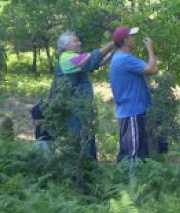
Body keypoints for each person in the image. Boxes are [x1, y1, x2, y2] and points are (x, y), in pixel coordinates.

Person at [48, 31, 115, 158]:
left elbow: (93, 64)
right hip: (74, 110)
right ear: (66, 46)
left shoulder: (70, 58)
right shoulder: (66, 58)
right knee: (81, 142)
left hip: (80, 108)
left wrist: (111, 53)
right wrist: (113, 43)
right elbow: (91, 58)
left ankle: (88, 170)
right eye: (76, 41)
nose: (80, 43)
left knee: (86, 140)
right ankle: (83, 172)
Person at [110, 26, 158, 164]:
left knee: (129, 152)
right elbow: (153, 68)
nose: (135, 39)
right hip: (132, 111)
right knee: (134, 155)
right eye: (132, 36)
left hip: (129, 110)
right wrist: (150, 49)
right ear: (126, 40)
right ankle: (131, 184)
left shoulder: (120, 57)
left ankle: (127, 182)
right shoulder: (124, 59)